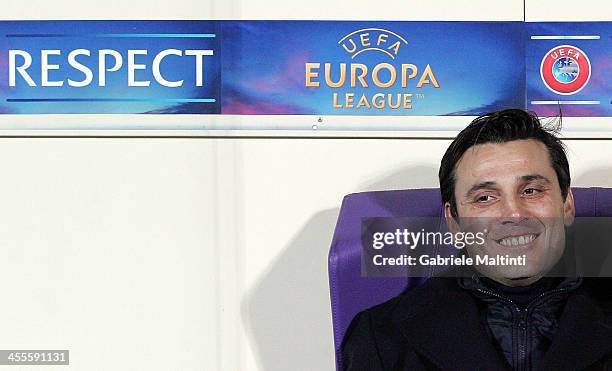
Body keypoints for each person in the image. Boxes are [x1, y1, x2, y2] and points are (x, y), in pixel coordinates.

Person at [342, 109, 612, 371]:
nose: (514, 213)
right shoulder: (381, 338)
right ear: (454, 222)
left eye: (531, 190)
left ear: (567, 205)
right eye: (485, 198)